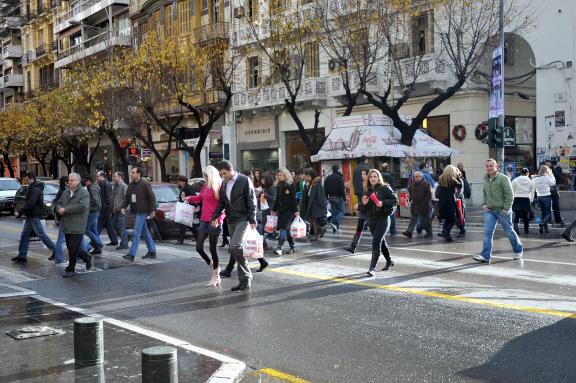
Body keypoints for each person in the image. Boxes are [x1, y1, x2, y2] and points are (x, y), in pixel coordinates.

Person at [211, 160, 257, 292]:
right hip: (231, 219)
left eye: (224, 173)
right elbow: (222, 202)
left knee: (235, 246)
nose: (223, 176)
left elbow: (251, 199)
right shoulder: (225, 183)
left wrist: (253, 218)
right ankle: (244, 281)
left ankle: (247, 275)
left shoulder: (244, 180)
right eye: (221, 174)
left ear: (231, 169)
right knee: (236, 249)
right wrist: (215, 216)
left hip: (243, 219)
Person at [473, 159, 523, 263]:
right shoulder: (486, 179)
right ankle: (485, 256)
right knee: (487, 233)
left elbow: (510, 195)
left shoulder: (503, 178)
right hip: (490, 211)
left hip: (502, 211)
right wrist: (484, 204)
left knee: (509, 231)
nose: (489, 168)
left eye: (491, 166)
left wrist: (505, 208)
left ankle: (518, 250)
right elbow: (485, 194)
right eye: (487, 166)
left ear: (497, 167)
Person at [186, 166, 226, 287]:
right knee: (199, 247)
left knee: (213, 249)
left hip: (214, 221)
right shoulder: (205, 186)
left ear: (212, 175)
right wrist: (189, 198)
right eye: (204, 175)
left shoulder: (219, 187)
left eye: (207, 175)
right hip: (204, 220)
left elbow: (223, 206)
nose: (205, 178)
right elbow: (199, 198)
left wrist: (219, 219)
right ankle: (213, 265)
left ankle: (216, 276)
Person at [12, 172, 57, 264]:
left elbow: (30, 203)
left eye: (27, 179)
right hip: (30, 215)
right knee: (25, 235)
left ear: (31, 179)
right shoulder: (33, 188)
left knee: (41, 234)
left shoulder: (35, 190)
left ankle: (56, 251)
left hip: (34, 215)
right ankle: (22, 256)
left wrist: (19, 212)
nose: (26, 181)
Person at [55, 173, 93, 278]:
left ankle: (70, 269)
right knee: (72, 247)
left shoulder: (83, 193)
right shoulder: (66, 192)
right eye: (69, 180)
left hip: (77, 224)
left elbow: (82, 206)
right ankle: (86, 258)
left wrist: (65, 210)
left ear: (78, 181)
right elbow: (59, 202)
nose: (69, 182)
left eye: (72, 180)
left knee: (72, 249)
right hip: (67, 224)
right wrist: (59, 209)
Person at [362, 169, 398, 276]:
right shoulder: (367, 190)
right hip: (372, 220)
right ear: (368, 179)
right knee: (381, 242)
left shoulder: (385, 188)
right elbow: (366, 209)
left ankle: (372, 267)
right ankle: (389, 261)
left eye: (375, 176)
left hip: (383, 219)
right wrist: (364, 204)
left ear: (379, 178)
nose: (373, 178)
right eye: (371, 177)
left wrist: (382, 203)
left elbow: (395, 200)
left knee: (375, 242)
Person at [121, 166, 157, 261]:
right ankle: (152, 251)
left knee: (136, 233)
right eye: (131, 172)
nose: (131, 174)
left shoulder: (145, 184)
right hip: (136, 211)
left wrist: (153, 210)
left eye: (133, 172)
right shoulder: (131, 185)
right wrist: (123, 206)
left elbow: (152, 198)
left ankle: (131, 254)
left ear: (138, 174)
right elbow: (127, 197)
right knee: (145, 232)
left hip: (143, 211)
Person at [272, 168, 299, 256]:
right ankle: (292, 246)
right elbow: (277, 199)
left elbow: (293, 199)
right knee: (287, 230)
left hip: (289, 210)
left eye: (281, 175)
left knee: (283, 228)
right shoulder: (279, 185)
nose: (279, 177)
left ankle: (279, 248)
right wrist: (274, 209)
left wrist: (296, 210)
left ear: (285, 175)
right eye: (278, 175)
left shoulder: (290, 185)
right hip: (281, 210)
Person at [344, 168, 369, 253]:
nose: (362, 176)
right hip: (364, 211)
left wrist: (359, 206)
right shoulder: (363, 184)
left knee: (376, 232)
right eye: (361, 174)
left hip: (370, 212)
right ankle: (353, 246)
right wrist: (360, 207)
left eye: (364, 174)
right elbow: (363, 199)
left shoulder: (370, 185)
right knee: (359, 229)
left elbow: (369, 199)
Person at [299, 168, 328, 241]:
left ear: (312, 176)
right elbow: (305, 195)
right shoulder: (307, 183)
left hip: (316, 205)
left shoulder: (316, 183)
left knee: (313, 220)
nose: (306, 177)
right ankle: (321, 229)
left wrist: (323, 206)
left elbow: (321, 195)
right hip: (309, 205)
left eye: (308, 176)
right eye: (306, 175)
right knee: (311, 220)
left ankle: (315, 235)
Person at [435, 165, 462, 242]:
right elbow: (460, 185)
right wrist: (457, 176)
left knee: (448, 219)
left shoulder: (441, 178)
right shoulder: (453, 179)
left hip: (442, 202)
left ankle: (447, 235)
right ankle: (446, 233)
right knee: (453, 220)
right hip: (450, 202)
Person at [402, 171, 432, 238]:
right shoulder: (413, 184)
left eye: (417, 176)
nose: (415, 178)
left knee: (426, 220)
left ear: (421, 177)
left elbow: (429, 196)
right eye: (414, 176)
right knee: (413, 219)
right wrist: (410, 199)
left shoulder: (426, 184)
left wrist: (424, 203)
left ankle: (429, 233)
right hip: (415, 205)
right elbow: (410, 191)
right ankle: (409, 232)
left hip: (424, 205)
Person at [533, 164, 556, 234]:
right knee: (548, 213)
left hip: (539, 197)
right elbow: (553, 183)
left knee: (543, 213)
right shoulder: (546, 177)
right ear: (546, 171)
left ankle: (544, 229)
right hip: (546, 197)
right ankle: (542, 224)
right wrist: (551, 175)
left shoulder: (535, 178)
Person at [83, 176, 104, 255]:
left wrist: (86, 201)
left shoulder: (92, 188)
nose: (85, 183)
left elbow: (94, 200)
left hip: (93, 211)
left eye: (85, 181)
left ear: (89, 181)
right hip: (95, 210)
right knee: (93, 230)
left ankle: (98, 243)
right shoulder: (95, 186)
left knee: (85, 229)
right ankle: (97, 248)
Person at [511, 168, 535, 234]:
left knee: (517, 214)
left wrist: (512, 200)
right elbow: (532, 192)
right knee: (525, 215)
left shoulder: (515, 180)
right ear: (527, 173)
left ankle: (516, 228)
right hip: (526, 199)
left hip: (517, 198)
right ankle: (526, 230)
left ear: (521, 173)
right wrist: (531, 200)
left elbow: (512, 190)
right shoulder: (531, 181)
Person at [51, 176, 69, 264]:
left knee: (75, 236)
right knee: (62, 239)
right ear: (66, 183)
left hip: (63, 217)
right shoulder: (64, 192)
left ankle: (84, 249)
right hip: (64, 217)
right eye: (69, 181)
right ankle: (59, 258)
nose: (70, 182)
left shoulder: (61, 191)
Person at [324, 164, 346, 233]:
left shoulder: (328, 178)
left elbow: (325, 188)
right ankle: (334, 221)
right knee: (342, 211)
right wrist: (344, 198)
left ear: (332, 170)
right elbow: (342, 189)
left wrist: (326, 198)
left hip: (330, 197)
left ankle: (335, 229)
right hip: (338, 197)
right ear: (338, 169)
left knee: (334, 213)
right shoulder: (339, 177)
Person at [96, 170, 115, 246]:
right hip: (104, 208)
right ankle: (114, 240)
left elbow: (108, 197)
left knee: (98, 226)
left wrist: (107, 207)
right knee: (108, 225)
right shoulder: (103, 184)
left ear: (102, 176)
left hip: (104, 209)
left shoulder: (105, 184)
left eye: (97, 176)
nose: (96, 178)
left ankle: (94, 240)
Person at [111, 172, 129, 250]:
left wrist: (122, 207)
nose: (113, 178)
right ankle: (125, 237)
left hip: (122, 210)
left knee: (120, 226)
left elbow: (126, 198)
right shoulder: (115, 186)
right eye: (113, 176)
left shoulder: (124, 186)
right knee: (113, 225)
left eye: (115, 176)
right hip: (116, 210)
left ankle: (124, 243)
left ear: (120, 177)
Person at [176, 175, 195, 245]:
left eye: (179, 181)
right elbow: (182, 197)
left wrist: (187, 199)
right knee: (189, 224)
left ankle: (180, 240)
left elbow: (194, 196)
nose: (178, 183)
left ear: (183, 181)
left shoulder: (188, 188)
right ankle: (197, 236)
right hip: (183, 207)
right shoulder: (182, 188)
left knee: (183, 223)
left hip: (188, 207)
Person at [259, 171, 276, 250]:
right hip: (265, 209)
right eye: (261, 179)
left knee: (266, 227)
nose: (262, 180)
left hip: (269, 210)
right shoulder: (265, 188)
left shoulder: (271, 188)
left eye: (263, 179)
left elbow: (273, 198)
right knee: (264, 227)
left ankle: (264, 242)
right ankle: (263, 243)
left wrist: (264, 194)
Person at [545, 160, 564, 226]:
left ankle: (557, 219)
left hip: (554, 190)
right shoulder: (543, 171)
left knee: (556, 206)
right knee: (547, 207)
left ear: (551, 164)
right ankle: (548, 220)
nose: (547, 165)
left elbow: (558, 178)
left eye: (548, 164)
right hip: (546, 191)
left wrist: (552, 170)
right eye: (546, 164)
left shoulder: (554, 170)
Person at [381, 163, 398, 235]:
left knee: (381, 214)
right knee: (391, 213)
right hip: (389, 197)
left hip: (381, 197)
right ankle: (393, 231)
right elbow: (393, 188)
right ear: (388, 168)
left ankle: (382, 231)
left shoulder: (379, 175)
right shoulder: (390, 176)